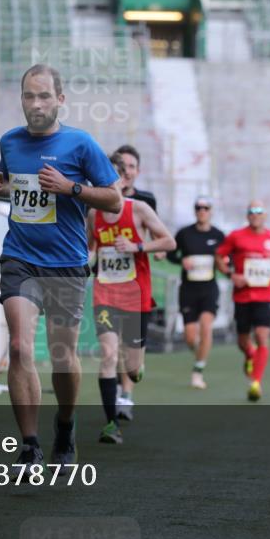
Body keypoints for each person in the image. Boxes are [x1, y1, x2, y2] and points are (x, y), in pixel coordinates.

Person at [0, 64, 122, 477]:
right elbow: (15, 184)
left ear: (60, 99)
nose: (36, 103)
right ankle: (29, 445)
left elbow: (114, 200)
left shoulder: (81, 144)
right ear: (22, 99)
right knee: (21, 347)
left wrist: (71, 188)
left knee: (63, 357)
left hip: (66, 264)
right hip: (19, 257)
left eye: (44, 96)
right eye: (29, 96)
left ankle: (65, 425)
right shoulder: (10, 141)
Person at [87, 153, 175, 444]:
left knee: (132, 366)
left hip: (136, 295)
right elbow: (90, 248)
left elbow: (169, 241)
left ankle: (135, 374)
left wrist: (137, 246)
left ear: (122, 181)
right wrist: (84, 261)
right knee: (109, 355)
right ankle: (112, 424)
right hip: (105, 292)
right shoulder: (93, 214)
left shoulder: (139, 209)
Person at [216, 200, 270, 402]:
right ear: (247, 215)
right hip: (243, 296)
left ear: (265, 215)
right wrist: (231, 274)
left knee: (263, 336)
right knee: (243, 341)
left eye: (259, 211)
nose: (255, 214)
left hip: (265, 296)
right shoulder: (236, 236)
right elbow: (219, 256)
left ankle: (255, 383)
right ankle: (249, 355)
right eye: (251, 211)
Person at [113, 144, 159, 419]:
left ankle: (129, 382)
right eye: (121, 167)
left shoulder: (145, 201)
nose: (126, 172)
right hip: (109, 283)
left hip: (137, 282)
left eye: (131, 167)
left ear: (137, 171)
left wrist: (147, 246)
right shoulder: (101, 199)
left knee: (131, 354)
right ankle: (123, 397)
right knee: (113, 343)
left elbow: (156, 233)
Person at [168, 197, 226, 390]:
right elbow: (170, 254)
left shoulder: (219, 235)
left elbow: (227, 258)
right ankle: (200, 350)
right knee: (191, 337)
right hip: (188, 290)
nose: (202, 211)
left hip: (209, 289)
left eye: (206, 208)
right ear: (195, 211)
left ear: (211, 211)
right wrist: (181, 261)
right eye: (198, 208)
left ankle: (198, 371)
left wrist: (225, 266)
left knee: (207, 326)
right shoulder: (184, 234)